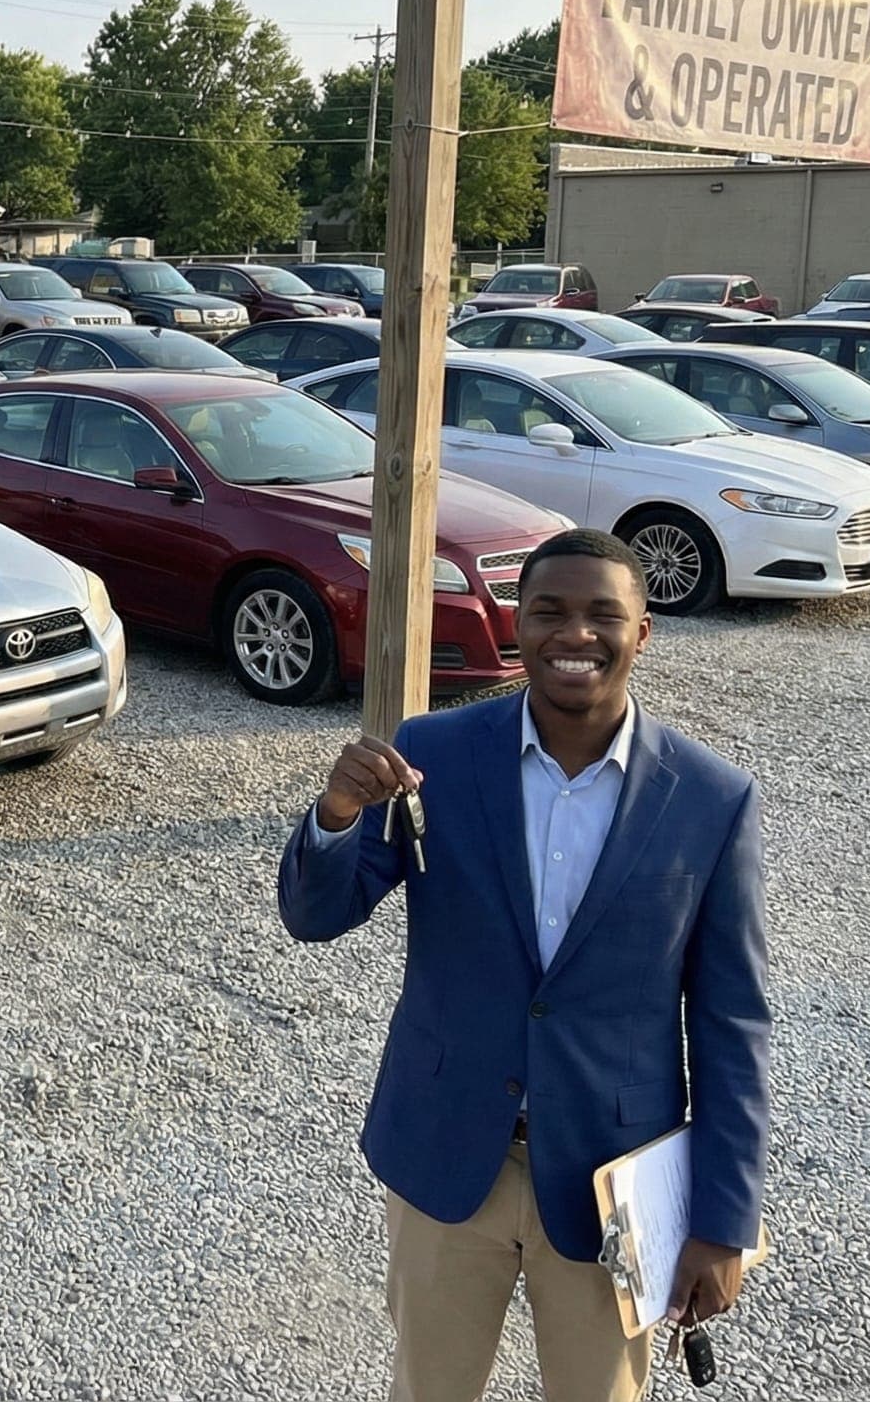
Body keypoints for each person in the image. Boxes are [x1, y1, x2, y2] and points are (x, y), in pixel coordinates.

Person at [277, 527, 771, 1402]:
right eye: (548, 611)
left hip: (606, 1180)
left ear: (643, 632)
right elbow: (320, 917)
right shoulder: (436, 753)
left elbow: (733, 1024)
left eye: (600, 614)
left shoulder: (711, 799)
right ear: (518, 622)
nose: (573, 634)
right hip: (446, 1153)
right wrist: (337, 813)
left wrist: (723, 1221)